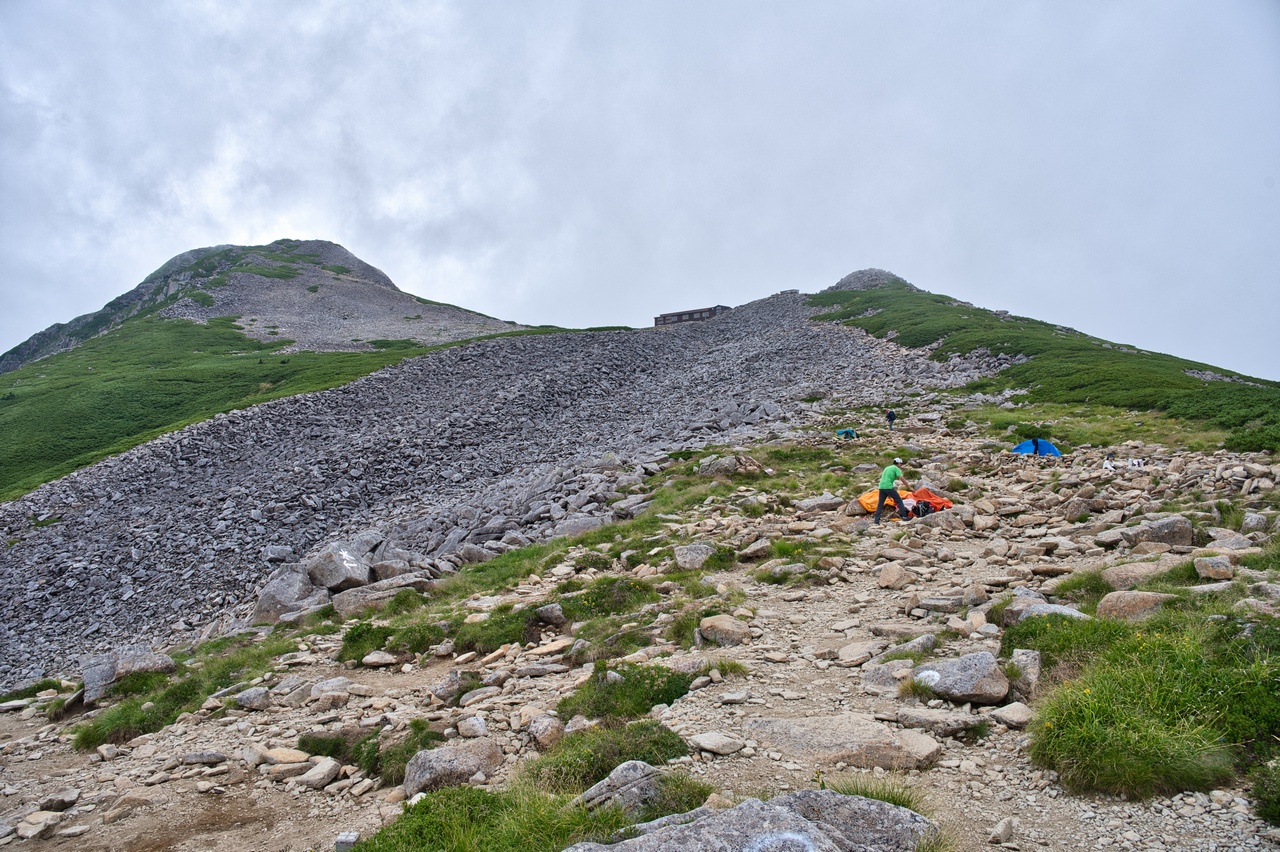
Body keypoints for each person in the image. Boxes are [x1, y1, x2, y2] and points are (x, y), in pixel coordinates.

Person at [873, 457, 910, 524]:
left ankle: (876, 520)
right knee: (899, 501)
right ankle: (904, 516)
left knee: (880, 504)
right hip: (889, 487)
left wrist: (888, 494)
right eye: (901, 463)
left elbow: (886, 478)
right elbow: (901, 478)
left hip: (881, 487)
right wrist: (909, 487)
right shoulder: (896, 468)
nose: (901, 465)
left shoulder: (887, 468)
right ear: (898, 463)